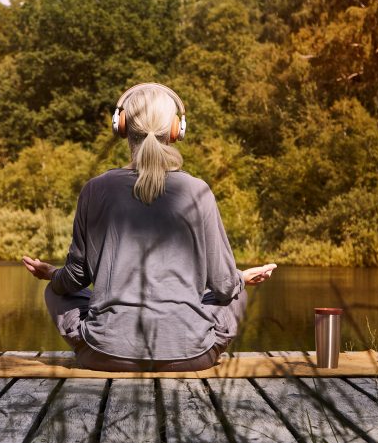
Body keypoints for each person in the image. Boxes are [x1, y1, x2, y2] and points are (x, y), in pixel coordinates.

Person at [22, 83, 277, 371]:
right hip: (191, 356)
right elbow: (224, 286)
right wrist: (240, 278)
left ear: (121, 126)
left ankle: (107, 345)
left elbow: (75, 279)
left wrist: (53, 275)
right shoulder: (198, 191)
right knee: (236, 293)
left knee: (56, 291)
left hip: (103, 353)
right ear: (175, 130)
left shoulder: (95, 190)